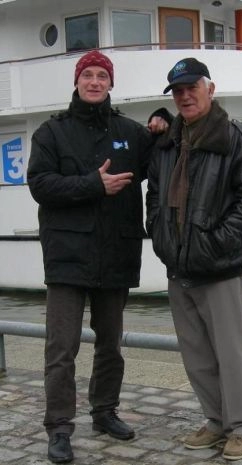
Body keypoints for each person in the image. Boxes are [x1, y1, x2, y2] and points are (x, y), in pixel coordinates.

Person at [27, 50, 170, 464]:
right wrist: (93, 184)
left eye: (101, 76)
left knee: (111, 345)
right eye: (87, 75)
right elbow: (40, 184)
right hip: (67, 258)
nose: (94, 82)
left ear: (111, 84)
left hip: (116, 253)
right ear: (77, 81)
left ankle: (105, 412)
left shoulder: (130, 132)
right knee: (61, 349)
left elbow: (166, 151)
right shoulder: (51, 132)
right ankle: (59, 427)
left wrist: (164, 120)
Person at [146, 57, 242, 461]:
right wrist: (161, 237)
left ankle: (241, 427)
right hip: (178, 266)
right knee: (196, 355)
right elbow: (154, 195)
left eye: (192, 88)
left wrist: (216, 244)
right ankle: (216, 420)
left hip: (219, 268)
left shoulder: (234, 139)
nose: (185, 96)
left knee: (230, 354)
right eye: (178, 91)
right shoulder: (167, 142)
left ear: (210, 89)